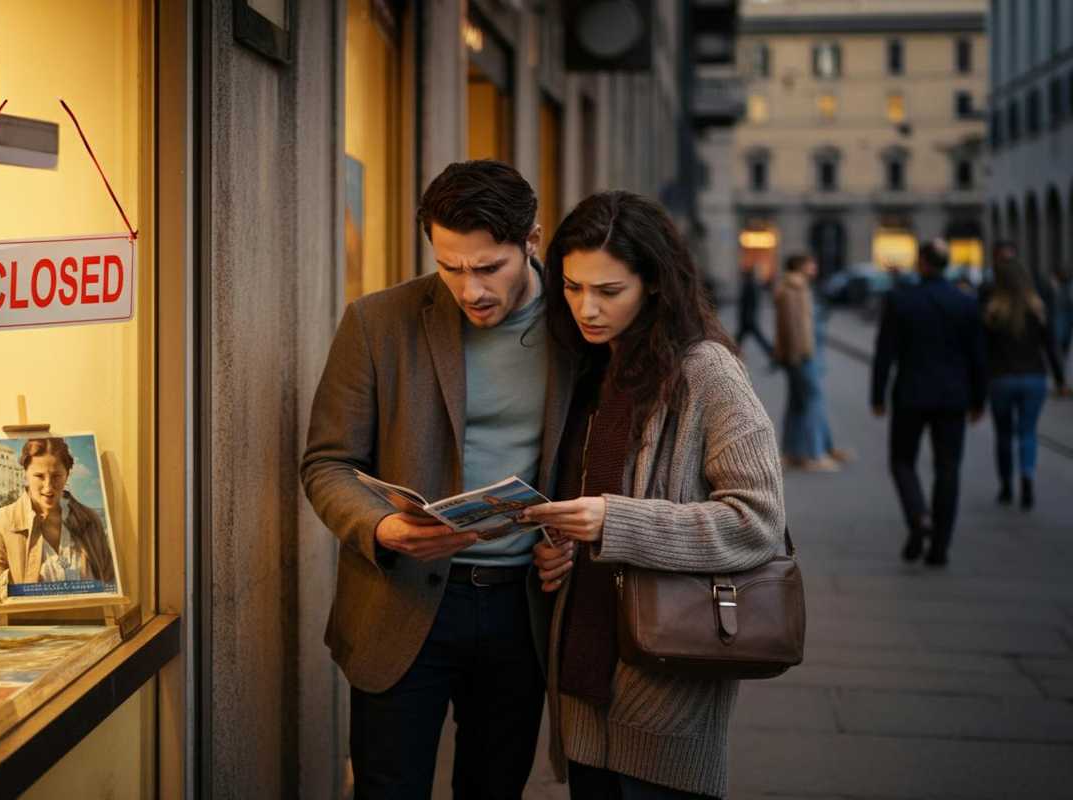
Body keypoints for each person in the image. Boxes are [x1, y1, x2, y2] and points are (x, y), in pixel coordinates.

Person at [300, 160, 576, 799]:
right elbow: (326, 463)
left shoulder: (575, 327)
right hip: (403, 603)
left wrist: (573, 537)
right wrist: (383, 526)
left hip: (523, 608)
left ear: (532, 241)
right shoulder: (378, 322)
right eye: (450, 267)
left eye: (488, 268)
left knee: (494, 788)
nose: (470, 288)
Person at [524, 191, 785, 800]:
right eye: (571, 286)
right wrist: (556, 544)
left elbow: (758, 520)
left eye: (608, 292)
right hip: (585, 682)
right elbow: (587, 500)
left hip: (667, 688)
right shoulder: (589, 368)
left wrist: (616, 521)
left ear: (656, 286)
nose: (586, 307)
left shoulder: (706, 372)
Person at [871, 240, 987, 566]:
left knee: (902, 461)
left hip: (910, 394)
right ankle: (940, 548)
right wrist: (979, 400)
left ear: (921, 262)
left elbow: (884, 353)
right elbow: (978, 357)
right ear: (946, 264)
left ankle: (918, 516)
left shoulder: (900, 299)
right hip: (953, 397)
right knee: (948, 468)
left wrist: (877, 396)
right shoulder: (965, 302)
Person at [0, 437, 116, 606]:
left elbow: (110, 582)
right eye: (39, 476)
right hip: (29, 630)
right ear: (25, 474)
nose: (48, 487)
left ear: (67, 475)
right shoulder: (1, 521)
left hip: (93, 625)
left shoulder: (90, 519)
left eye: (56, 476)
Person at [982, 256, 1069, 510]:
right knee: (1028, 432)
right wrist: (1061, 379)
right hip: (1033, 378)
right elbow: (1050, 346)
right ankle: (1027, 477)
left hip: (1001, 379)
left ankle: (1006, 485)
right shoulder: (1037, 310)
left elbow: (983, 351)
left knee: (1004, 434)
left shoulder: (993, 312)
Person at [773, 253, 845, 471]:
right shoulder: (796, 288)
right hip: (803, 356)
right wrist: (799, 355)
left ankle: (792, 452)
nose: (815, 267)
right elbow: (795, 326)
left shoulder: (793, 287)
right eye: (811, 264)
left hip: (800, 355)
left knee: (798, 404)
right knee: (811, 403)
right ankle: (814, 455)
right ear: (800, 266)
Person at [734, 261, 775, 361]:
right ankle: (772, 352)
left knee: (755, 338)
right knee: (742, 339)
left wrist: (749, 317)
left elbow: (751, 303)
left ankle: (772, 353)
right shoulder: (751, 284)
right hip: (748, 319)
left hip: (748, 319)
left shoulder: (750, 285)